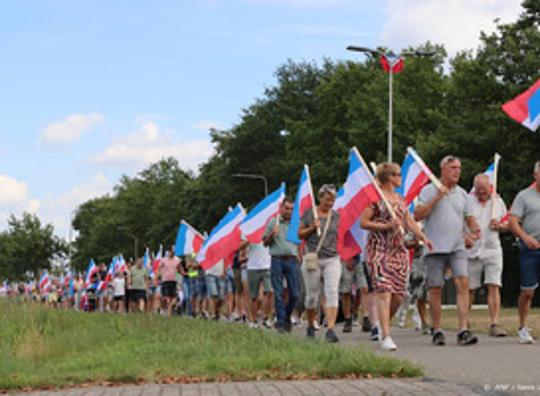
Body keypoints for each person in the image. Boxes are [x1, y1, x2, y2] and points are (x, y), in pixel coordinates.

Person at [361, 163, 432, 351]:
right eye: (398, 175)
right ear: (389, 177)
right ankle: (385, 335)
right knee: (384, 291)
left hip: (398, 252)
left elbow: (408, 220)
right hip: (379, 251)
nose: (401, 177)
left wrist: (422, 236)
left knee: (398, 296)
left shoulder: (400, 199)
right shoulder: (376, 199)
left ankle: (383, 324)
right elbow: (364, 222)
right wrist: (385, 226)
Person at [414, 155, 481, 346]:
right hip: (435, 247)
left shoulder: (462, 194)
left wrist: (474, 231)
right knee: (435, 289)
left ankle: (463, 330)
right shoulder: (428, 190)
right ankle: (437, 330)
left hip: (456, 246)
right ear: (443, 170)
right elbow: (418, 214)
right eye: (453, 168)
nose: (457, 171)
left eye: (459, 168)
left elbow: (469, 218)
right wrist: (437, 197)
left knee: (463, 283)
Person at [467, 174, 508, 337]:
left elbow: (508, 223)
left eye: (485, 189)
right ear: (474, 188)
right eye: (479, 189)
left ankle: (494, 323)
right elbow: (461, 223)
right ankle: (466, 322)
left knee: (494, 285)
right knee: (470, 288)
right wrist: (467, 235)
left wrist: (500, 225)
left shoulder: (498, 202)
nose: (482, 192)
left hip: (492, 248)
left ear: (490, 187)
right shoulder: (468, 202)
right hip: (472, 250)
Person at [298, 184, 341, 343]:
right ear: (320, 197)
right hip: (313, 259)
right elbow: (300, 233)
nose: (330, 203)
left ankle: (330, 329)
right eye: (328, 199)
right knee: (312, 296)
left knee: (332, 292)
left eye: (333, 200)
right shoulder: (310, 213)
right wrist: (311, 228)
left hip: (332, 258)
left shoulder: (336, 216)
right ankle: (310, 325)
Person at [509, 160, 540, 344]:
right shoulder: (524, 196)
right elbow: (513, 221)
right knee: (528, 290)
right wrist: (525, 237)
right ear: (535, 175)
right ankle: (522, 326)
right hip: (530, 248)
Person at [263, 197, 300, 333]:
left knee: (295, 293)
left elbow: (300, 241)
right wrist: (272, 234)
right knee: (278, 293)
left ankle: (286, 316)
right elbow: (265, 243)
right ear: (281, 208)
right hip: (277, 259)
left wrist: (299, 256)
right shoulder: (274, 222)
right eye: (286, 208)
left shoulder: (295, 223)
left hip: (292, 259)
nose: (289, 211)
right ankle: (280, 322)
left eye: (291, 209)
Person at [244, 241, 273, 329]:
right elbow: (240, 246)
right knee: (253, 296)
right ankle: (253, 320)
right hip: (253, 267)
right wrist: (249, 240)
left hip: (268, 266)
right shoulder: (249, 230)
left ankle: (266, 318)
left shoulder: (269, 228)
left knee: (270, 291)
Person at [160, 246, 180, 317]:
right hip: (165, 281)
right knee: (167, 298)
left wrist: (188, 274)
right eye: (170, 251)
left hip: (173, 281)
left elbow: (179, 270)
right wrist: (156, 278)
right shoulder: (163, 260)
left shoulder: (177, 260)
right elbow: (159, 269)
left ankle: (169, 311)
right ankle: (168, 313)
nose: (171, 252)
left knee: (173, 298)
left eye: (173, 251)